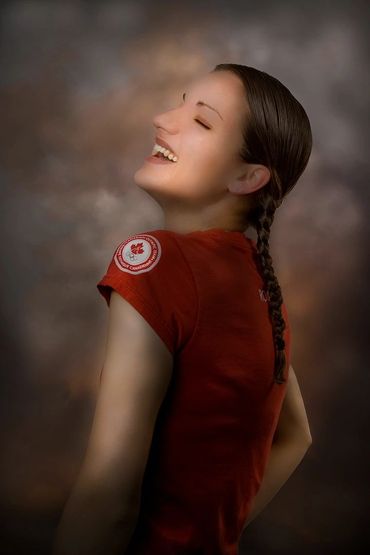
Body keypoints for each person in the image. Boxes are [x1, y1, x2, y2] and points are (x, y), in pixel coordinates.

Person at [52, 64, 313, 555]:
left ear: (248, 176)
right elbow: (297, 437)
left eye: (202, 121)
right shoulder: (259, 287)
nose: (161, 119)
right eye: (180, 103)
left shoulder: (156, 262)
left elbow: (109, 497)